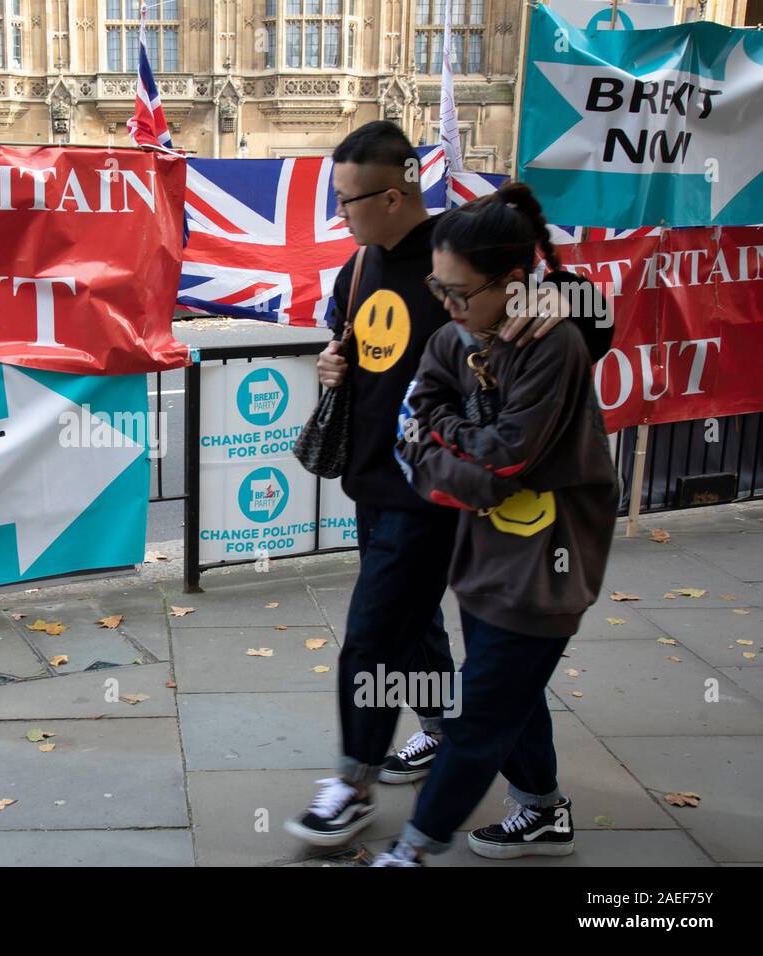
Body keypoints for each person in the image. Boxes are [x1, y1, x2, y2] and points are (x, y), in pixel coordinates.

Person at [284, 122, 612, 848]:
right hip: (381, 483)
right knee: (428, 643)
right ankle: (494, 767)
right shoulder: (360, 268)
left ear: (393, 194)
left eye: (348, 200)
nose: (340, 215)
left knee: (380, 640)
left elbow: (589, 322)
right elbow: (361, 350)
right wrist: (334, 365)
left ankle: (352, 781)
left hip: (449, 498)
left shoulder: (471, 250)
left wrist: (564, 305)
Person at [370, 181, 619, 866]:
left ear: (514, 281)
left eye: (458, 292)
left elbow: (494, 467)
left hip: (546, 564)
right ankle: (540, 809)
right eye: (437, 288)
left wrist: (433, 444)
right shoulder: (460, 333)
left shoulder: (551, 342)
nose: (445, 308)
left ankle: (413, 850)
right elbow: (416, 414)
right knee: (510, 692)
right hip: (486, 557)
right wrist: (442, 443)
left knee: (477, 714)